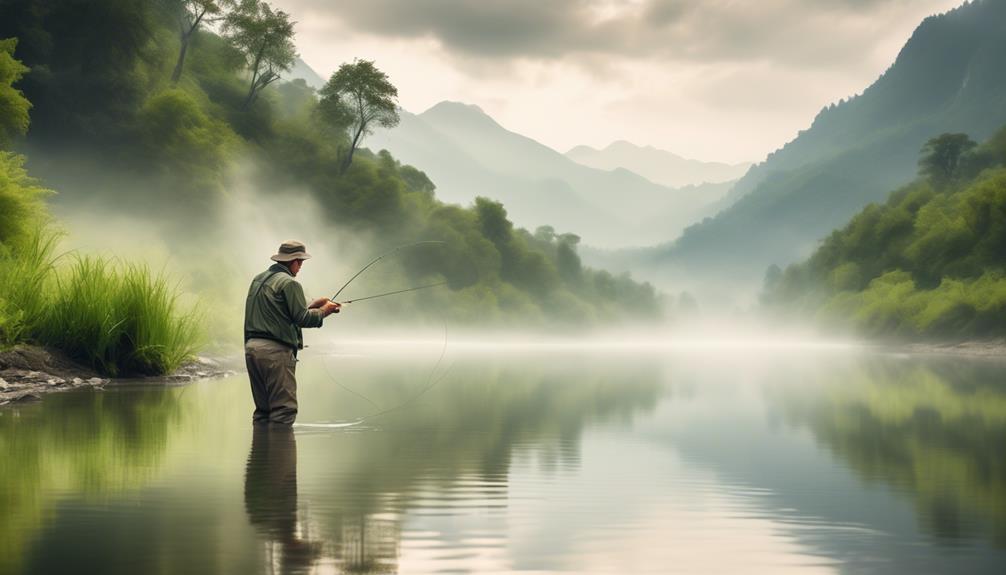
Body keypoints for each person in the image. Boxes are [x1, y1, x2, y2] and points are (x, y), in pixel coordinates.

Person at [244, 240, 341, 425]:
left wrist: (315, 303)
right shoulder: (290, 283)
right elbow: (302, 318)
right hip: (275, 353)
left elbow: (280, 310)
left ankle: (261, 452)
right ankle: (280, 452)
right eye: (301, 262)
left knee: (263, 412)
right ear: (294, 261)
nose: (300, 267)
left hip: (252, 350)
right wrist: (325, 310)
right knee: (283, 412)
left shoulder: (258, 279)